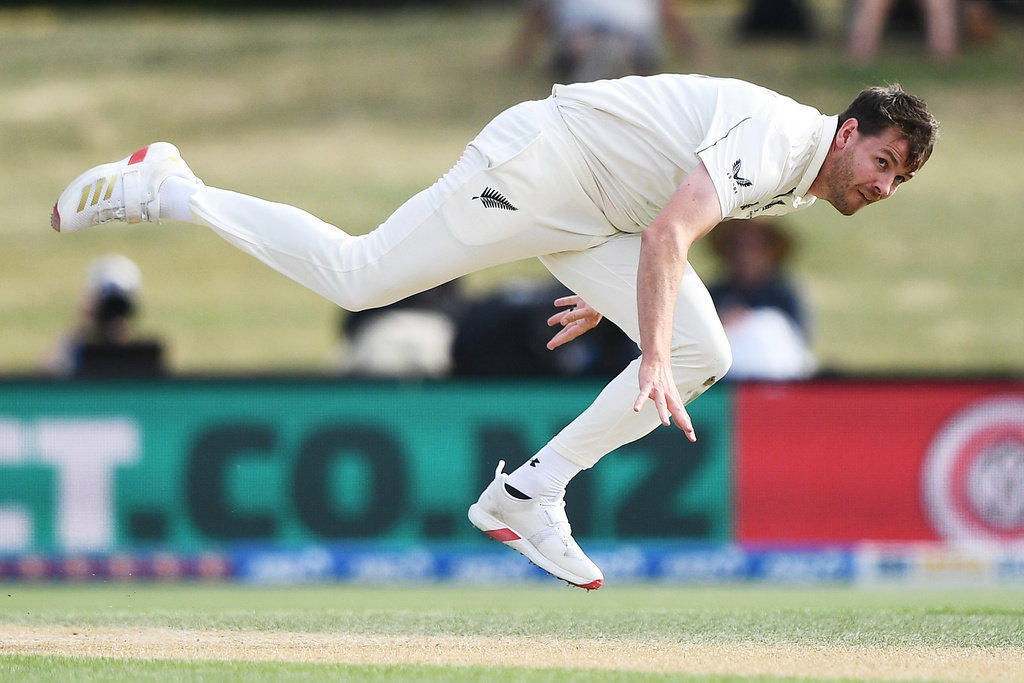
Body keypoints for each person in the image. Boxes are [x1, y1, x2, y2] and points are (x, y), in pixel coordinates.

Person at [51, 74, 938, 589]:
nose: (884, 184)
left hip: (594, 214)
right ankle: (171, 187)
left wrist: (624, 295)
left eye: (900, 179)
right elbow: (673, 232)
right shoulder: (786, 137)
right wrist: (649, 347)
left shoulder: (800, 173)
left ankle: (526, 494)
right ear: (850, 131)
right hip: (543, 165)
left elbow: (664, 215)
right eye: (883, 161)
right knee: (361, 277)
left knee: (714, 351)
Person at [707, 218, 816, 381]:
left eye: (753, 247)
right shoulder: (714, 293)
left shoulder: (784, 295)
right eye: (739, 246)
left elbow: (798, 342)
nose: (746, 255)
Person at [507, 0, 701, 83]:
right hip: (582, 36)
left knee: (598, 48)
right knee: (590, 45)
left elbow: (668, 11)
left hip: (630, 38)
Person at [43, 253, 166, 378]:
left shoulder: (145, 355)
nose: (114, 312)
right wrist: (80, 328)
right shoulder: (76, 352)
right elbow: (44, 380)